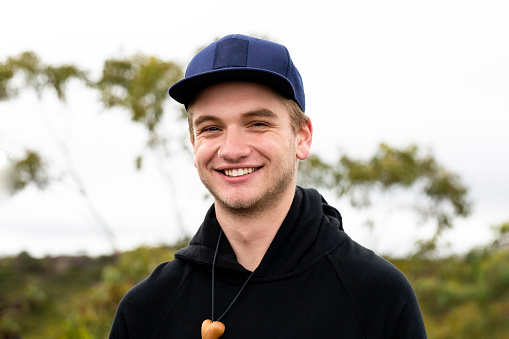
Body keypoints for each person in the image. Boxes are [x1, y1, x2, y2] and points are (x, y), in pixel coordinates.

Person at [109, 34, 427, 338]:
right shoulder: (147, 310)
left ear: (302, 137)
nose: (232, 149)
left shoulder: (377, 296)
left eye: (257, 124)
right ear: (194, 143)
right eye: (211, 128)